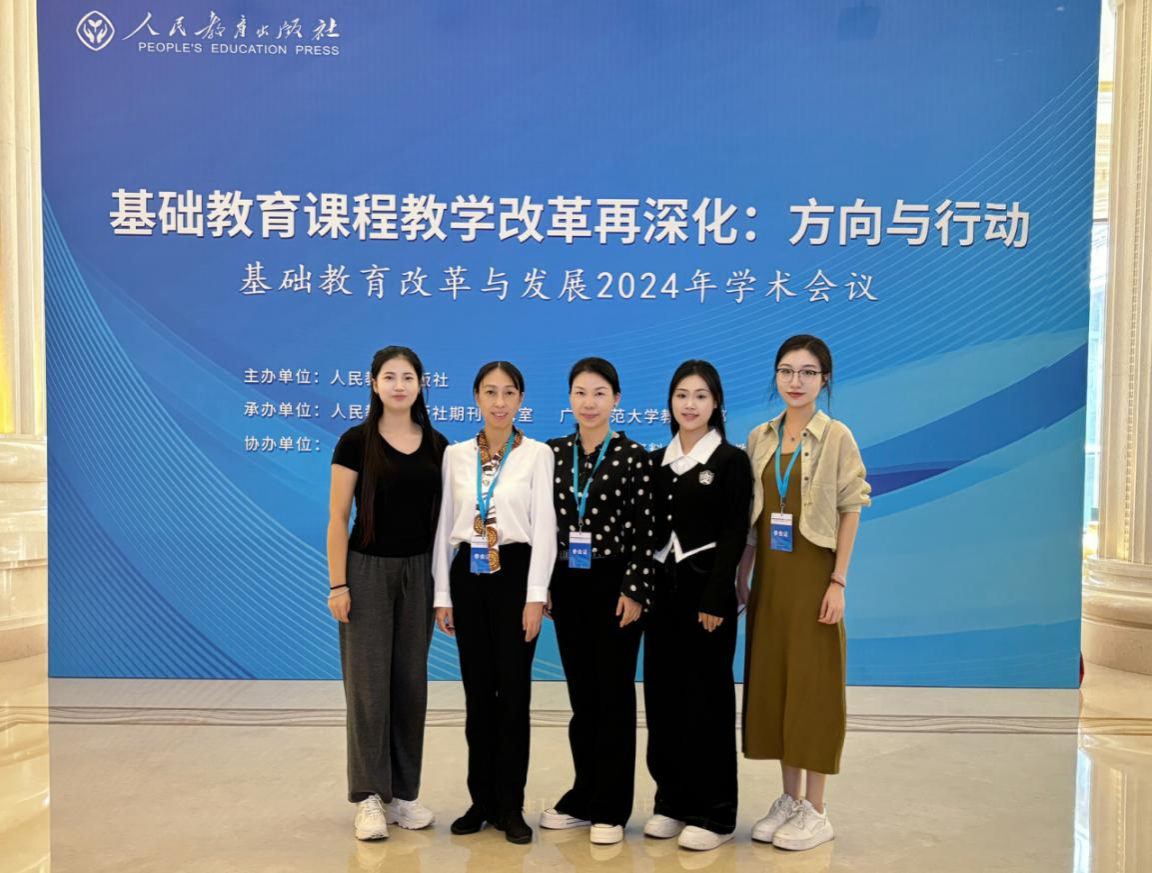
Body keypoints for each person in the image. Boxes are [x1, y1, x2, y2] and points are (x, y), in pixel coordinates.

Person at [738, 334, 871, 852]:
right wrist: (743, 574)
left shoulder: (837, 436)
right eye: (787, 371)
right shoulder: (759, 437)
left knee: (814, 690)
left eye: (808, 372)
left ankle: (817, 810)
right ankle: (789, 799)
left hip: (814, 578)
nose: (796, 381)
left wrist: (838, 581)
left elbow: (851, 507)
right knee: (777, 686)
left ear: (825, 379)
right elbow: (753, 518)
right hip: (771, 579)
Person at [432, 361, 557, 845]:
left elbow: (545, 528)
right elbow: (444, 527)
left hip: (516, 575)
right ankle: (480, 800)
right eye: (490, 392)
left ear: (521, 399)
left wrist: (535, 595)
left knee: (514, 696)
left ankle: (510, 805)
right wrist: (443, 595)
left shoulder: (537, 454)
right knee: (478, 696)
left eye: (508, 392)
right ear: (476, 398)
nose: (499, 402)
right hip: (469, 575)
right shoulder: (455, 455)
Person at [327, 346, 449, 841]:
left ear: (421, 384)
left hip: (420, 573)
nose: (399, 385)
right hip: (367, 572)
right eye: (390, 377)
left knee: (409, 686)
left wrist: (443, 590)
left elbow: (444, 523)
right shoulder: (355, 442)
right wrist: (338, 584)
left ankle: (403, 794)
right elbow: (338, 517)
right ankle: (369, 797)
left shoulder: (438, 444)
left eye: (408, 377)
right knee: (368, 688)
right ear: (374, 384)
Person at [540, 357, 657, 846]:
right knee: (582, 697)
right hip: (567, 582)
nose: (589, 403)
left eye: (599, 393)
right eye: (580, 393)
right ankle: (583, 796)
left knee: (613, 696)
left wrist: (635, 590)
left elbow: (646, 531)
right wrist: (543, 583)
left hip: (615, 585)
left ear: (616, 399)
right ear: (569, 398)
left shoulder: (634, 456)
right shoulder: (551, 453)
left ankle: (611, 807)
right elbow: (542, 524)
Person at [642, 360, 752, 851]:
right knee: (664, 697)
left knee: (707, 700)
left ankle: (715, 813)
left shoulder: (730, 461)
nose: (690, 404)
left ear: (716, 403)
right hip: (661, 592)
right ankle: (671, 801)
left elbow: (734, 531)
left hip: (706, 592)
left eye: (701, 396)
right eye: (682, 395)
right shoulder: (657, 462)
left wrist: (716, 596)